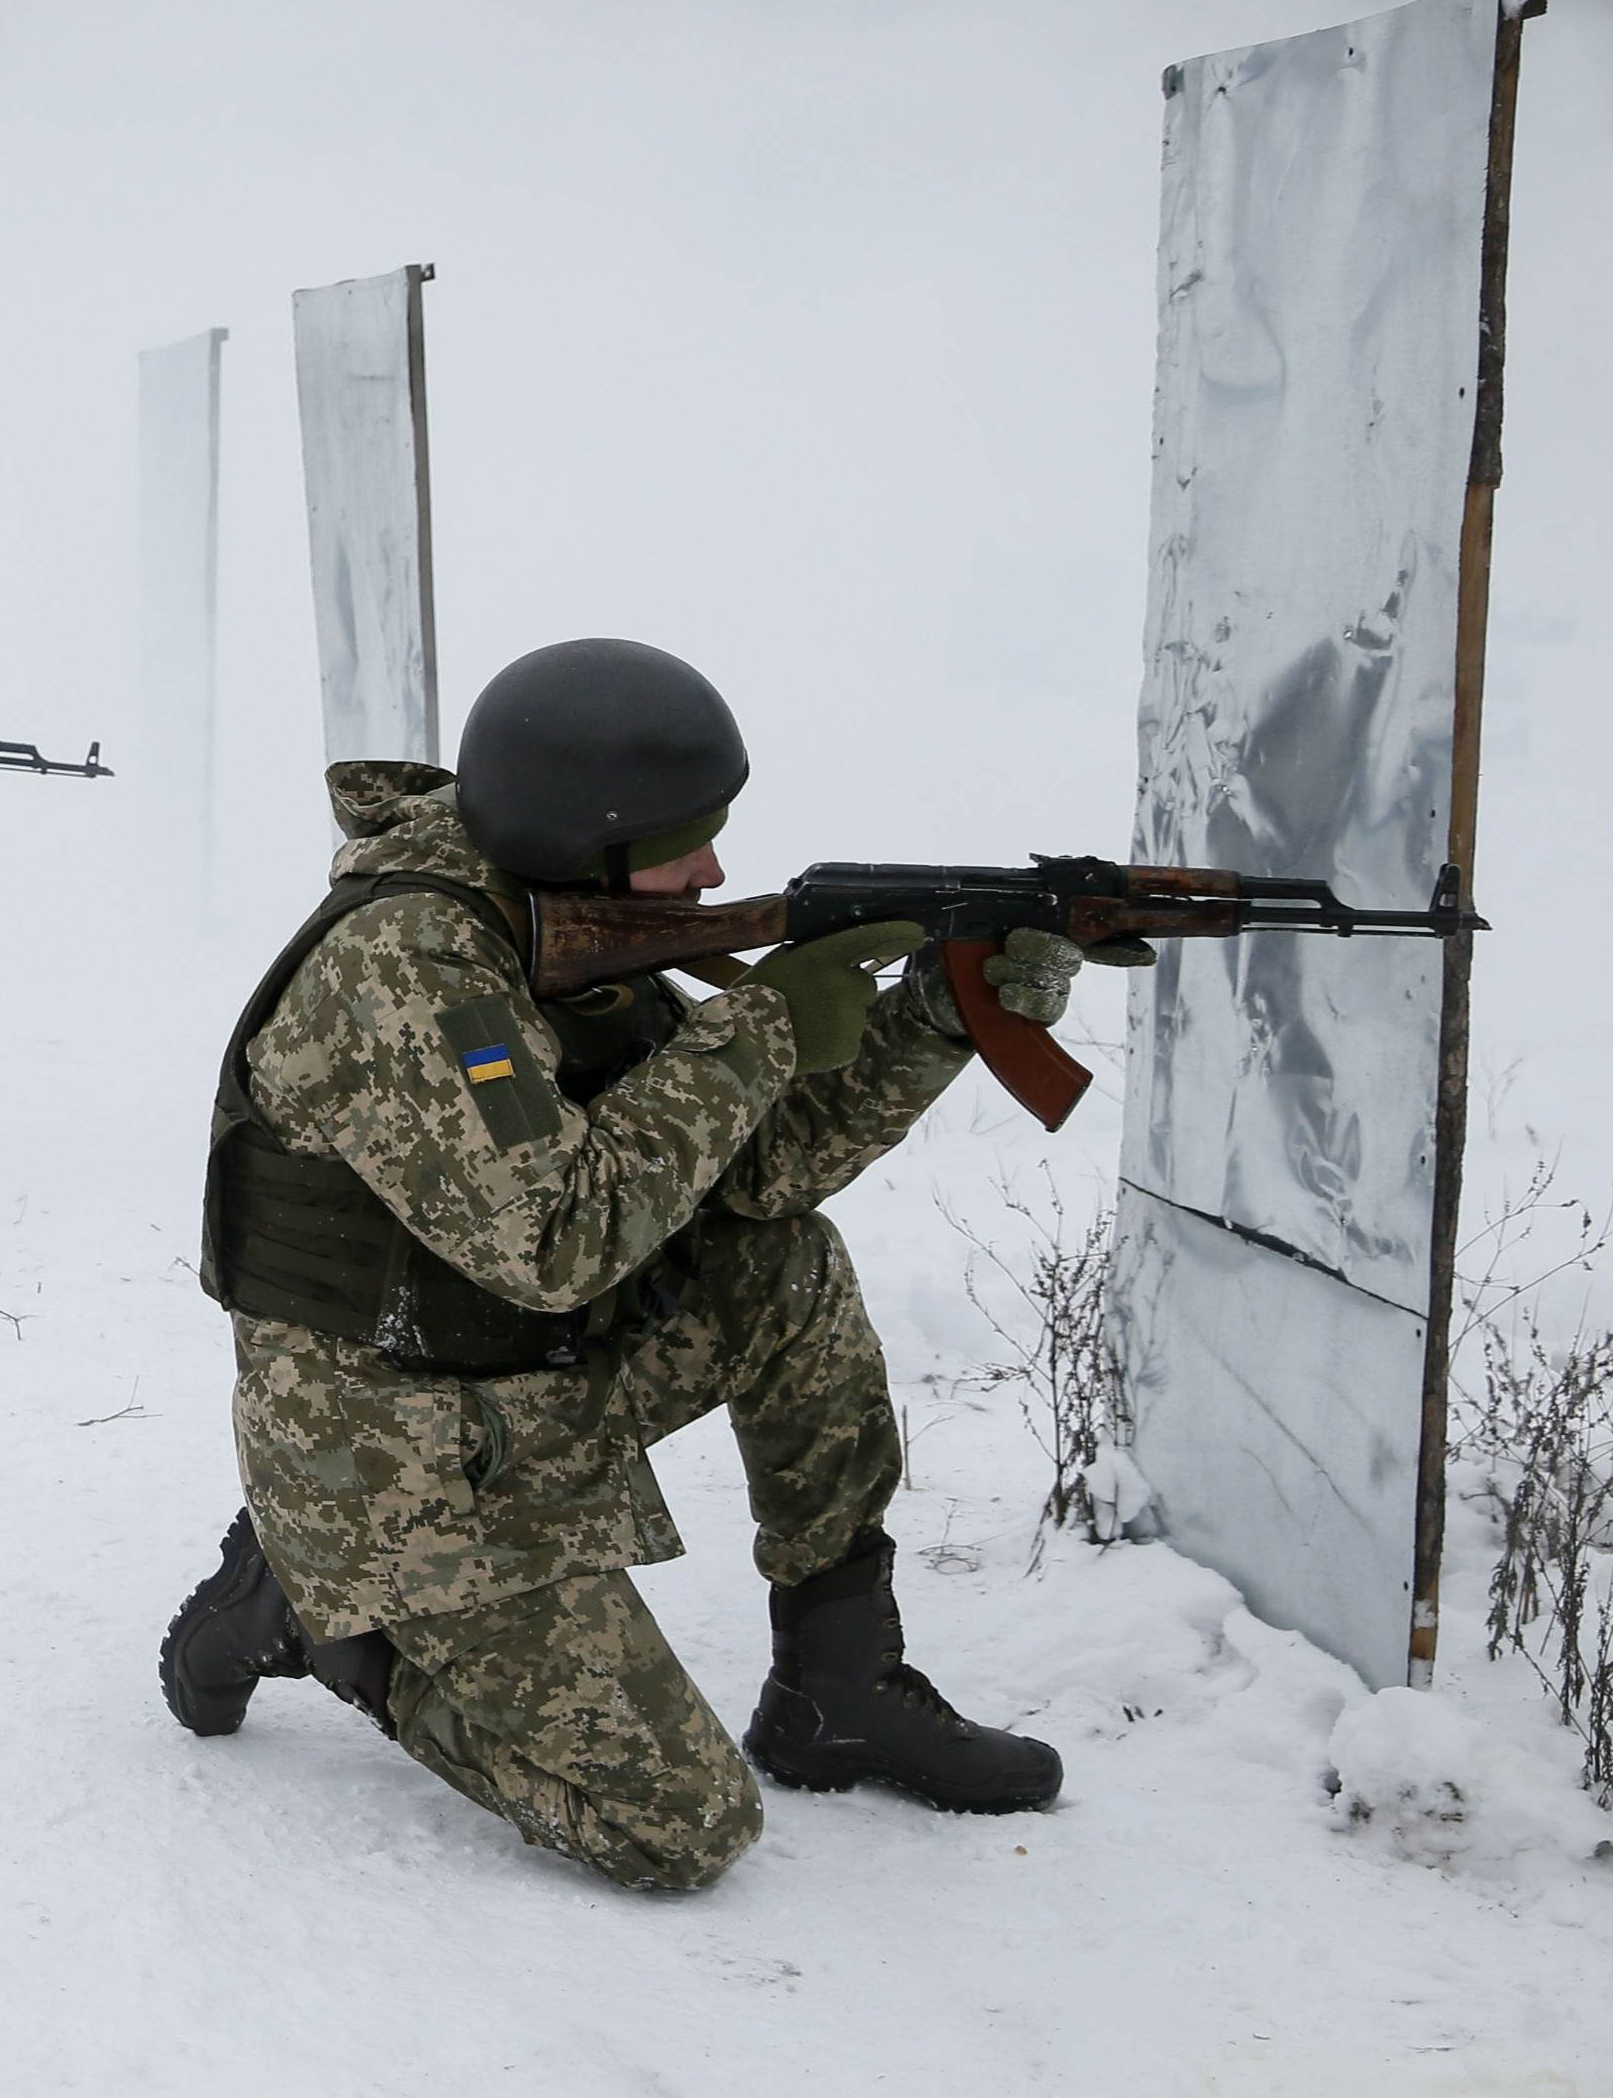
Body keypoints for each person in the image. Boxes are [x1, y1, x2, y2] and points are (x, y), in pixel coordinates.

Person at [154, 638, 1111, 1890]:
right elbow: (554, 1239)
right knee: (679, 1832)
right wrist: (763, 1024)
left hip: (516, 1375)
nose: (714, 869)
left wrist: (934, 1017)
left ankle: (839, 1687)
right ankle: (332, 1620)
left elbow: (754, 1176)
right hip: (381, 1444)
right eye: (683, 841)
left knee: (785, 1268)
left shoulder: (549, 919)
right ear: (580, 838)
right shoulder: (403, 969)